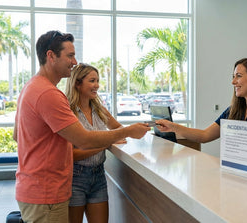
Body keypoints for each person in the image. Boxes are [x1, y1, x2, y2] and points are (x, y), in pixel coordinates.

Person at [13, 30, 150, 223]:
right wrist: (127, 131)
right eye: (70, 56)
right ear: (51, 56)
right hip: (46, 193)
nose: (75, 62)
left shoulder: (31, 87)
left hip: (36, 188)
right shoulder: (48, 94)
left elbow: (17, 136)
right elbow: (84, 140)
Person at [156, 57, 247, 180]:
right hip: (242, 180)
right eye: (233, 76)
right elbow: (204, 135)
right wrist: (173, 127)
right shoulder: (233, 111)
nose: (233, 81)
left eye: (239, 76)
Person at [65, 63, 124, 223]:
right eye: (92, 81)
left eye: (97, 80)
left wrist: (114, 136)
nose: (97, 85)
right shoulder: (68, 112)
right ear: (77, 83)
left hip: (98, 176)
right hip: (75, 178)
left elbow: (119, 129)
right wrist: (104, 143)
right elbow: (71, 155)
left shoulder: (100, 109)